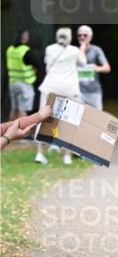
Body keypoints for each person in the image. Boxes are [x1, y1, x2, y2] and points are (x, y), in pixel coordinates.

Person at [35, 28, 86, 165]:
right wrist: (82, 48)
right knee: (67, 121)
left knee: (45, 119)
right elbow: (83, 63)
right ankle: (66, 156)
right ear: (69, 38)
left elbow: (47, 66)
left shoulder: (49, 49)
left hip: (49, 88)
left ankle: (40, 154)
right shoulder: (74, 51)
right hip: (68, 89)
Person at [5, 29, 39, 121]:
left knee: (14, 109)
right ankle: (22, 133)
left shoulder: (10, 49)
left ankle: (9, 131)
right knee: (22, 110)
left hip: (13, 83)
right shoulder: (25, 51)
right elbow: (37, 64)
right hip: (24, 84)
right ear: (24, 37)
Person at [76, 25, 111, 111]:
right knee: (77, 119)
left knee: (97, 118)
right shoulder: (74, 51)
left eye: (85, 35)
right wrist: (81, 50)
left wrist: (96, 68)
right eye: (79, 35)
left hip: (94, 91)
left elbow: (107, 68)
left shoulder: (96, 50)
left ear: (90, 37)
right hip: (78, 92)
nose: (82, 37)